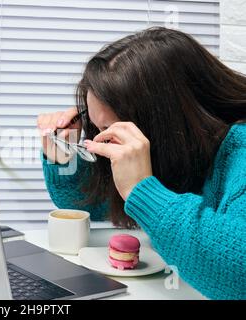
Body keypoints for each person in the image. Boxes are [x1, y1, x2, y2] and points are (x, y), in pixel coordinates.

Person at [37, 27, 246, 300]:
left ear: (165, 122)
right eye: (98, 129)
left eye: (110, 134)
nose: (104, 147)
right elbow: (91, 204)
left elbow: (238, 274)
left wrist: (143, 191)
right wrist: (65, 158)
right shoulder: (183, 151)